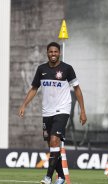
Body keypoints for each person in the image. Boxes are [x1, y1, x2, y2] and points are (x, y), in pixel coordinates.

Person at [18, 42, 87, 184]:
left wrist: (82, 110)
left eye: (56, 51)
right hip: (47, 111)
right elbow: (34, 89)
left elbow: (78, 90)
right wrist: (24, 104)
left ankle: (48, 177)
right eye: (51, 52)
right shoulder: (41, 69)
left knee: (55, 140)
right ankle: (61, 176)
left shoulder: (67, 69)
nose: (53, 54)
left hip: (62, 109)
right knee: (52, 145)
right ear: (47, 53)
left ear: (59, 53)